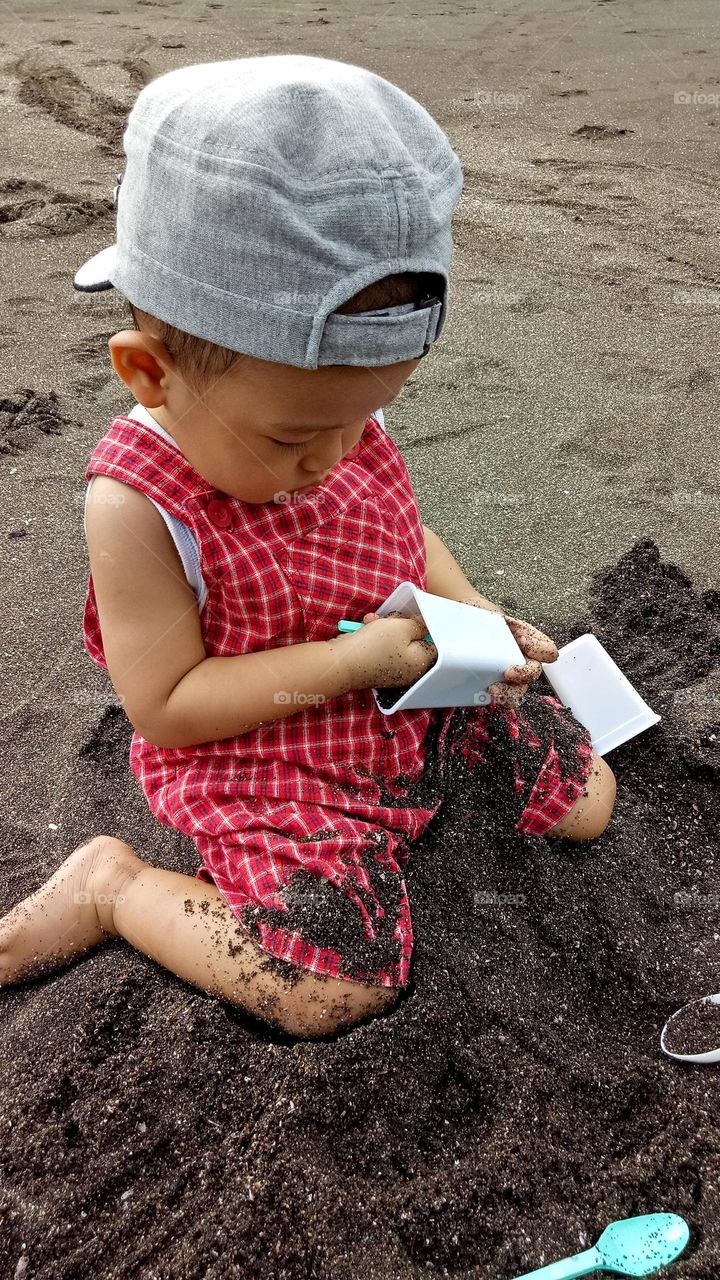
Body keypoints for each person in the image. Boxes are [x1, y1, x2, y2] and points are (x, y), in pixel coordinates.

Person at [0, 56, 616, 1037]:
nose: (335, 458)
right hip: (263, 750)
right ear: (150, 373)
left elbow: (407, 535)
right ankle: (116, 889)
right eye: (294, 440)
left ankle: (418, 789)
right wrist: (348, 663)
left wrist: (479, 621)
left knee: (584, 794)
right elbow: (166, 706)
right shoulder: (137, 506)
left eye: (367, 416)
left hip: (394, 700)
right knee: (331, 982)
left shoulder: (324, 410)